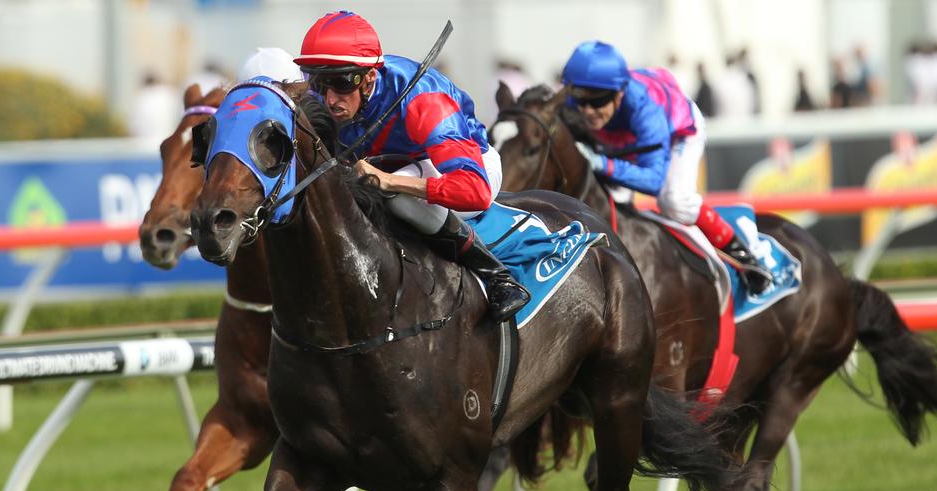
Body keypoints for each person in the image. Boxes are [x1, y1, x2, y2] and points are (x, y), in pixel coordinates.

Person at [294, 10, 528, 321]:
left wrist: (389, 182)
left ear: (369, 79)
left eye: (340, 83)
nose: (329, 99)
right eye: (319, 82)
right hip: (397, 164)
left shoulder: (424, 101)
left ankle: (498, 277)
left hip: (468, 169)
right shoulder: (329, 98)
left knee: (391, 196)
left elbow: (475, 191)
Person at [560, 40, 770, 293]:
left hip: (676, 132)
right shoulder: (578, 103)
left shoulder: (645, 110)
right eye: (580, 99)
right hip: (624, 139)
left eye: (598, 101)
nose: (588, 110)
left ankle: (743, 255)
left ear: (619, 94)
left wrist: (601, 163)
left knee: (674, 201)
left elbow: (653, 181)